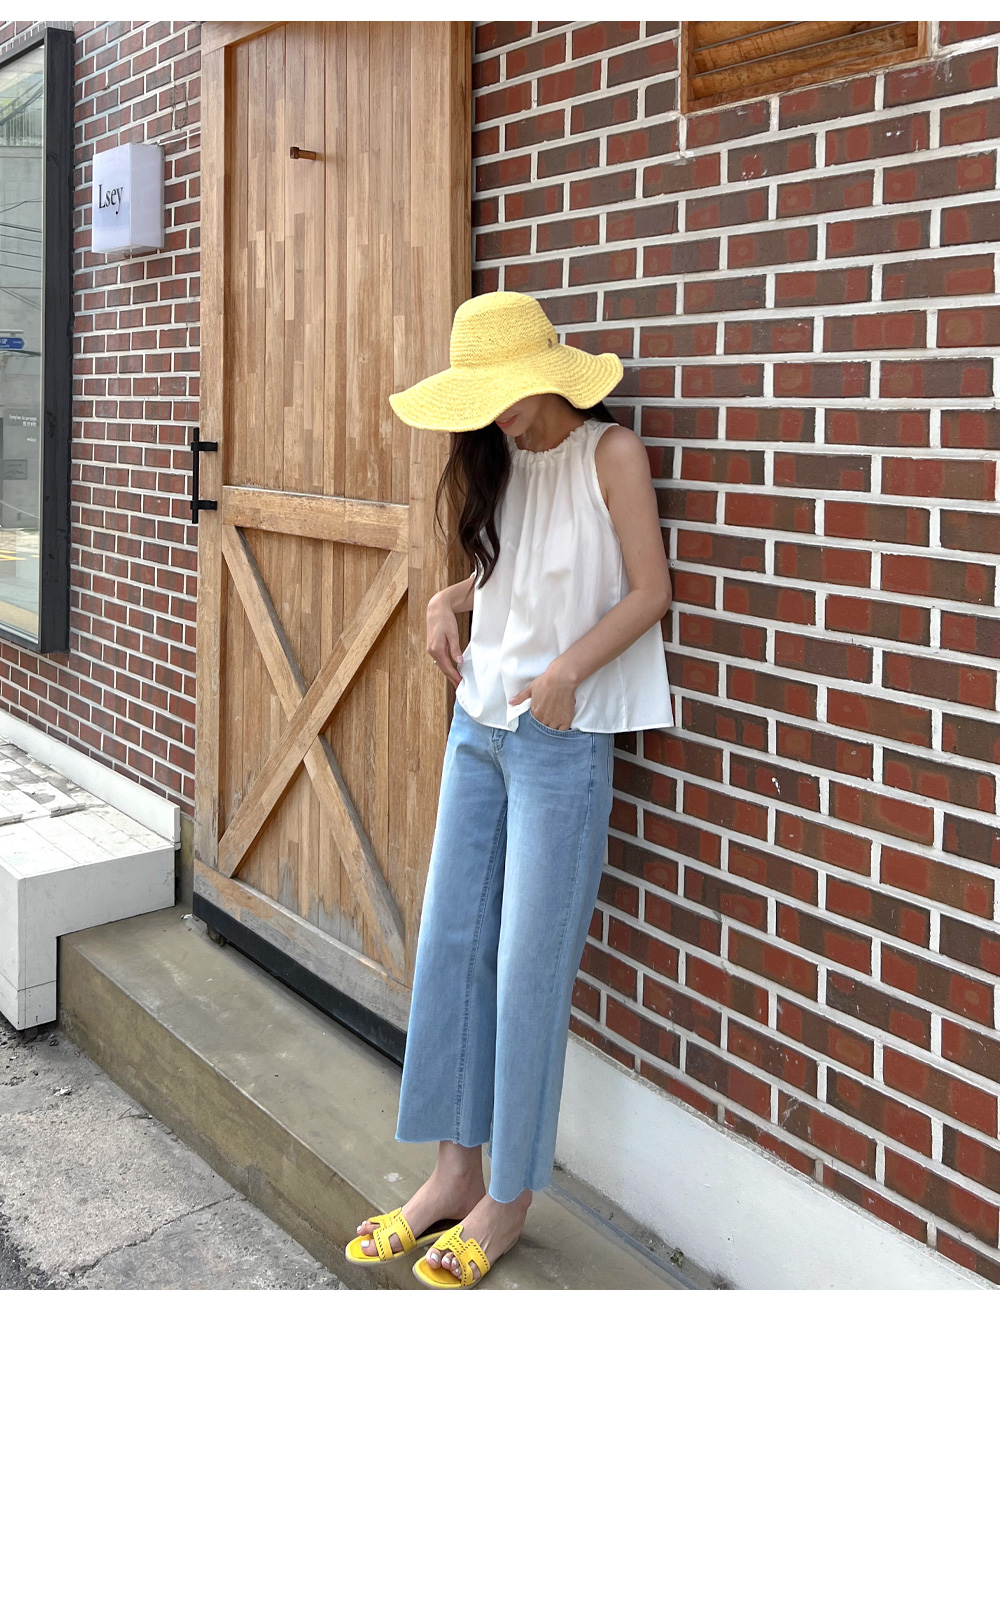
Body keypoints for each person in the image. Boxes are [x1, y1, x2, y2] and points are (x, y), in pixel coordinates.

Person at [344, 290, 675, 1289]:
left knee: (527, 970)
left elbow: (650, 590)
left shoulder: (610, 455)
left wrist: (571, 669)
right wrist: (447, 598)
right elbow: (511, 576)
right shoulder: (505, 457)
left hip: (558, 746)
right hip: (476, 731)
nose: (499, 419)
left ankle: (509, 1197)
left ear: (545, 377)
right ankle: (453, 1174)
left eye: (507, 399)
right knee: (450, 947)